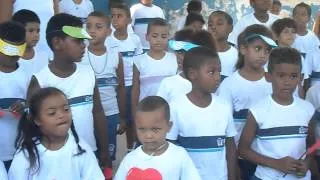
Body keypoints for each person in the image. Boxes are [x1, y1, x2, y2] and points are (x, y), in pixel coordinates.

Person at [27, 13, 110, 167]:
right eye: (78, 40)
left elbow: (98, 112)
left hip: (89, 154)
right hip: (55, 160)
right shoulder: (39, 82)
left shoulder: (88, 74)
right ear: (57, 43)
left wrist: (104, 151)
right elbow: (32, 127)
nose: (83, 45)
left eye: (83, 40)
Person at [239, 47, 315, 180]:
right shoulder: (258, 110)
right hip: (265, 177)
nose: (287, 82)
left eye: (293, 76)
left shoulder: (308, 110)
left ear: (300, 78)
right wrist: (276, 164)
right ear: (268, 77)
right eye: (281, 76)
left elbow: (311, 146)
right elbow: (243, 149)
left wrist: (307, 163)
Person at [167, 47, 237, 180]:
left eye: (219, 72)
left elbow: (230, 145)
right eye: (211, 72)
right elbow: (170, 146)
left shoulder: (223, 106)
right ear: (193, 74)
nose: (218, 77)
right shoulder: (176, 107)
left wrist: (232, 176)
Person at [218, 24, 276, 180]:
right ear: (243, 49)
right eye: (257, 48)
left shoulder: (273, 82)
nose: (263, 54)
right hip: (239, 158)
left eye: (267, 50)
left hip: (270, 156)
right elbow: (223, 125)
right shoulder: (229, 85)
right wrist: (232, 164)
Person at [8, 87, 104, 179]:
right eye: (52, 113)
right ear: (37, 120)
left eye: (66, 109)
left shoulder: (81, 149)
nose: (61, 115)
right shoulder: (26, 154)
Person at [114, 96, 201, 180]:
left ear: (169, 126)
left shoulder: (179, 155)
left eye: (155, 129)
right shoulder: (130, 159)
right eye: (142, 129)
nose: (148, 135)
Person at [81, 11, 126, 163]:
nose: (92, 30)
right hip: (88, 114)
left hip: (111, 112)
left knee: (107, 155)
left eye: (98, 27)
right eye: (88, 26)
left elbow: (120, 88)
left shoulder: (115, 56)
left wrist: (122, 117)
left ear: (108, 31)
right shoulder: (80, 56)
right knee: (90, 154)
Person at [108, 3, 143, 152]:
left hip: (131, 86)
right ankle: (110, 150)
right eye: (113, 16)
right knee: (114, 120)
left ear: (129, 20)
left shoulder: (135, 40)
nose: (115, 19)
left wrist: (136, 84)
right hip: (114, 87)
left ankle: (130, 148)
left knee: (131, 119)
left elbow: (139, 63)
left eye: (119, 16)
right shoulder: (108, 40)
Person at [0, 21, 30, 171]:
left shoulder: (27, 76)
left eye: (17, 49)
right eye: (8, 49)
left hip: (19, 153)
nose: (12, 55)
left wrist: (26, 107)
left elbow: (34, 109)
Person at [131, 18, 177, 114]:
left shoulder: (174, 59)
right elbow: (135, 90)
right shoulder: (139, 61)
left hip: (169, 111)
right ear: (147, 37)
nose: (159, 40)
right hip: (146, 111)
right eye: (155, 36)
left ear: (168, 37)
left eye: (163, 37)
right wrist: (135, 113)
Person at [271, 17, 309, 97]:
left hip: (294, 99)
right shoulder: (270, 56)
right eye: (286, 32)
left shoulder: (298, 56)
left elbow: (300, 84)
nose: (290, 35)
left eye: (293, 32)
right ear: (277, 36)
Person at [156, 29, 195, 103]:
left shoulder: (206, 82)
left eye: (186, 52)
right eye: (179, 52)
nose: (180, 57)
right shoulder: (167, 84)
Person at [12, 9, 50, 76]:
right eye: (31, 31)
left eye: (38, 31)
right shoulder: (10, 60)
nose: (36, 35)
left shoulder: (44, 58)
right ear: (17, 31)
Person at [208, 10, 238, 80]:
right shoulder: (200, 54)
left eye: (219, 23)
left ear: (230, 28)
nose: (213, 27)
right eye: (210, 25)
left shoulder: (239, 55)